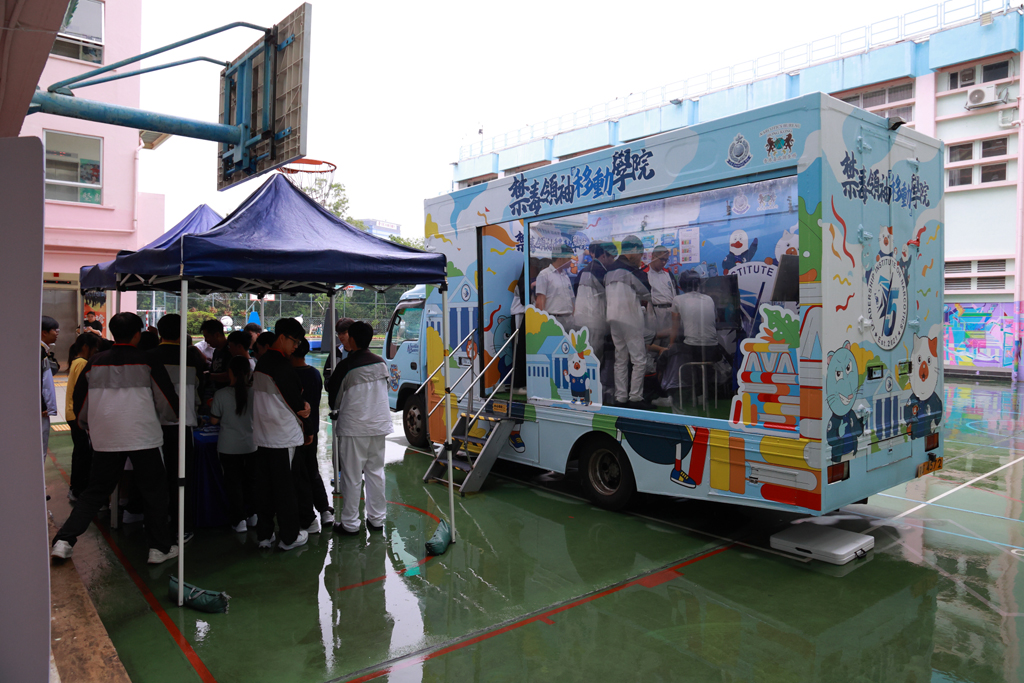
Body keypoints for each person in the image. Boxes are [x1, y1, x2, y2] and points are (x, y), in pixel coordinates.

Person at [51, 312, 180, 564]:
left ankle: (64, 541)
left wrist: (86, 425)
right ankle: (158, 548)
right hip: (143, 436)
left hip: (106, 437)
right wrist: (171, 417)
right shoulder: (147, 361)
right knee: (154, 492)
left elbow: (81, 399)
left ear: (112, 332)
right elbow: (165, 399)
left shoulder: (95, 362)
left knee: (95, 492)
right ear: (137, 334)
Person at [326, 321, 393, 535]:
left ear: (352, 339)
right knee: (376, 472)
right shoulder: (381, 363)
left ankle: (350, 523)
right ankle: (377, 519)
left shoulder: (346, 366)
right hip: (379, 425)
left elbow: (334, 399)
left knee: (352, 476)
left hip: (354, 427)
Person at [251, 318, 311, 551]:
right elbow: (297, 404)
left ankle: (264, 536)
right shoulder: (282, 366)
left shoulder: (262, 362)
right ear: (282, 337)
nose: (296, 346)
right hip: (283, 437)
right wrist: (305, 412)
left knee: (264, 489)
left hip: (263, 436)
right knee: (286, 490)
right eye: (294, 341)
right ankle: (289, 537)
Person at [151, 314, 208, 539]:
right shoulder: (192, 358)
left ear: (160, 332)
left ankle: (157, 523)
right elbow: (199, 390)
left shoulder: (150, 357)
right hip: (183, 424)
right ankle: (182, 526)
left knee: (156, 477)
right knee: (182, 478)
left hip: (154, 425)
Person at [210, 355, 257, 533]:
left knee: (233, 483)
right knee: (251, 481)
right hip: (251, 445)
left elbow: (214, 420)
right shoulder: (255, 394)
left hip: (228, 446)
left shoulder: (221, 394)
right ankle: (253, 514)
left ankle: (239, 520)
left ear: (230, 372)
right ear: (249, 373)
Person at [291, 338, 333, 529]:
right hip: (312, 429)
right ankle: (324, 510)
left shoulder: (291, 375)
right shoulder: (314, 373)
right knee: (312, 470)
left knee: (301, 474)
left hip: (297, 431)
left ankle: (308, 517)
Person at [605, 236, 652, 407]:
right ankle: (635, 398)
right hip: (630, 318)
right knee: (639, 359)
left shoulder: (609, 270)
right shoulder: (632, 271)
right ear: (632, 252)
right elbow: (647, 292)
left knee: (620, 359)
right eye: (640, 254)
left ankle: (621, 397)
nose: (640, 258)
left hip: (612, 318)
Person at [670, 271, 721, 398]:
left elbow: (675, 327)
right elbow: (715, 320)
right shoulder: (709, 299)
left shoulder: (677, 299)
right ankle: (702, 392)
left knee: (670, 354)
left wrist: (670, 344)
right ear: (698, 284)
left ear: (681, 285)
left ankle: (672, 394)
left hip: (692, 348)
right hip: (713, 348)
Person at [66, 332, 103, 500]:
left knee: (80, 452)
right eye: (95, 348)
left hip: (72, 413)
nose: (96, 352)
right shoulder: (82, 363)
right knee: (83, 454)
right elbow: (83, 391)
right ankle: (78, 489)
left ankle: (76, 488)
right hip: (77, 414)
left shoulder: (76, 361)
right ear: (86, 347)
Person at [574, 242, 616, 368]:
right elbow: (611, 295)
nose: (613, 261)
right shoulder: (600, 271)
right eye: (612, 257)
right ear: (603, 256)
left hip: (580, 319)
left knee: (582, 357)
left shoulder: (585, 270)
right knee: (594, 358)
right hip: (594, 321)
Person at [534, 244, 576, 331]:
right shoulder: (544, 275)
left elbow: (571, 300)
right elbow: (540, 301)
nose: (571, 261)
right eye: (568, 258)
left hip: (569, 320)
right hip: (554, 319)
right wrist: (540, 323)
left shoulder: (565, 276)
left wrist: (574, 316)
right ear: (560, 258)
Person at [646, 246, 678, 343]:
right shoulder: (645, 273)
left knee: (670, 342)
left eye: (666, 260)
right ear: (653, 256)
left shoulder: (668, 273)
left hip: (670, 311)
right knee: (655, 341)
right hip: (655, 312)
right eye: (661, 259)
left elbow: (675, 292)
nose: (664, 262)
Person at [41, 316, 60, 459]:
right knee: (40, 444)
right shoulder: (38, 352)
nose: (57, 333)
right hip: (41, 410)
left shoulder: (43, 351)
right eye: (54, 330)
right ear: (44, 332)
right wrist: (43, 405)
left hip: (43, 408)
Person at [200, 319, 231, 395]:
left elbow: (229, 375)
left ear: (217, 335)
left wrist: (208, 376)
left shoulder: (230, 351)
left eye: (207, 337)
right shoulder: (216, 351)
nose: (206, 340)